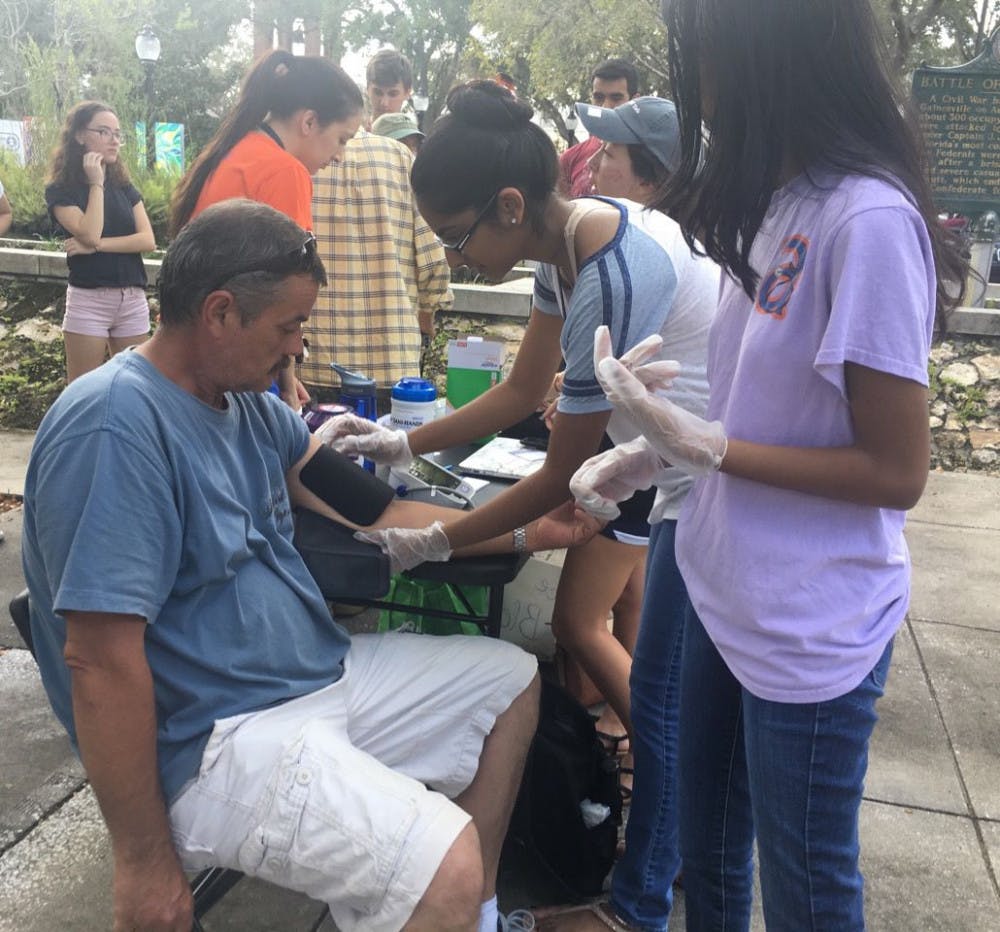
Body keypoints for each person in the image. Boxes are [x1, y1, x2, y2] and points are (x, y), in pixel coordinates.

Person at [22, 199, 598, 932]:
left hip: (310, 675)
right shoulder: (114, 425)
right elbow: (98, 658)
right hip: (214, 736)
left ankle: (470, 915)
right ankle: (446, 900)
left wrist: (531, 527)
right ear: (221, 313)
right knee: (441, 861)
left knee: (509, 681)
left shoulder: (252, 412)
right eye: (288, 327)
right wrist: (142, 862)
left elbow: (380, 513)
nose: (298, 348)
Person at [569, 1, 967, 929]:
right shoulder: (778, 199)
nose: (700, 89)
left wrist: (704, 444)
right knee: (708, 858)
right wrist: (652, 450)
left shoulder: (866, 218)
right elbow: (760, 404)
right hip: (721, 582)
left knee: (806, 887)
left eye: (706, 61)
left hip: (809, 621)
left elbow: (896, 469)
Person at [325, 80, 714, 709]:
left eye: (455, 236)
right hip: (663, 469)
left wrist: (438, 541)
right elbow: (521, 390)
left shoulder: (609, 272)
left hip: (707, 490)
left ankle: (656, 792)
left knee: (665, 696)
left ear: (509, 206)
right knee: (662, 688)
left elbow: (561, 475)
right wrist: (403, 442)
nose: (454, 259)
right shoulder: (561, 246)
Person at [537, 96, 720, 932]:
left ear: (650, 170)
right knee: (647, 634)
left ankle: (654, 775)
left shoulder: (638, 251)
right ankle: (658, 837)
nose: (591, 163)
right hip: (662, 470)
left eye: (608, 152)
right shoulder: (661, 241)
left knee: (584, 622)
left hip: (661, 466)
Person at [170, 50, 364, 409]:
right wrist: (287, 386)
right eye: (342, 139)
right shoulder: (284, 171)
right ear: (309, 122)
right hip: (239, 358)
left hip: (198, 351)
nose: (339, 156)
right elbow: (286, 293)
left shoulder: (237, 151)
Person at [303, 130, 451, 396]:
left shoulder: (299, 157)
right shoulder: (399, 157)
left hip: (311, 361)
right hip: (392, 362)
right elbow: (433, 257)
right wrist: (428, 310)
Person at [45, 101, 154, 383]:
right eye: (104, 132)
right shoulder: (61, 189)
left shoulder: (125, 186)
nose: (114, 140)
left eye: (118, 133)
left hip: (131, 297)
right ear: (80, 135)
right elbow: (90, 232)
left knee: (136, 386)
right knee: (81, 392)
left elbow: (147, 240)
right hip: (89, 298)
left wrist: (97, 247)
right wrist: (96, 183)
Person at [559, 59, 639, 199]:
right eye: (598, 97)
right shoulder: (569, 158)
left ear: (634, 100)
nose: (605, 106)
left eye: (616, 98)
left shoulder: (649, 159)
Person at [367, 48, 414, 123]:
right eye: (378, 92)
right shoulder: (350, 133)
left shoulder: (415, 134)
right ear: (367, 89)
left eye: (393, 94)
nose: (384, 103)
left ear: (407, 93)